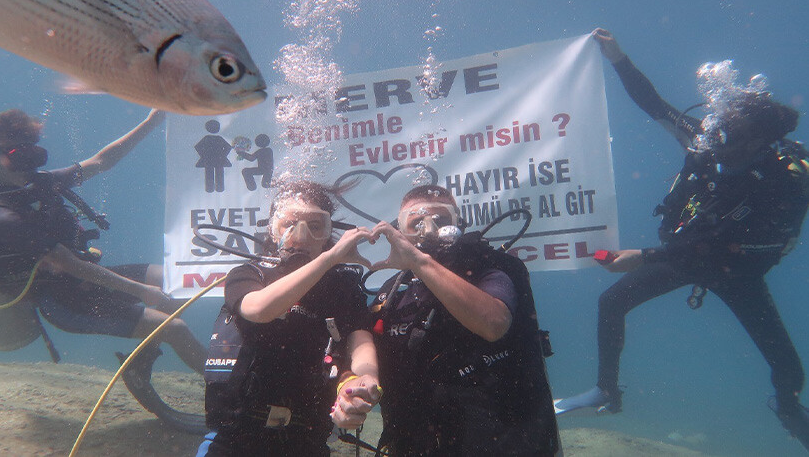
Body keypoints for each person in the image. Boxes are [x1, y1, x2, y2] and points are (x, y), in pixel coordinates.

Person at [554, 28, 809, 451]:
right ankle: (606, 391)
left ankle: (788, 408)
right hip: (686, 254)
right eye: (719, 126)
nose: (715, 139)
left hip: (737, 268)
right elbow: (652, 103)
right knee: (611, 301)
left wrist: (642, 256)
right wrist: (619, 58)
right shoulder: (706, 141)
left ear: (760, 142)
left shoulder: (780, 183)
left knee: (785, 364)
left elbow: (718, 242)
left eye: (731, 132)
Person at [0, 108, 207, 373]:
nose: (28, 164)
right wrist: (141, 291)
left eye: (31, 152)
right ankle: (230, 398)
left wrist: (150, 122)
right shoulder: (0, 216)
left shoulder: (38, 183)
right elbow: (68, 264)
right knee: (176, 329)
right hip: (65, 302)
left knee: (178, 279)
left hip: (86, 281)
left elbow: (101, 162)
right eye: (16, 156)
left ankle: (141, 362)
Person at [334, 185, 560, 456]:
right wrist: (349, 386)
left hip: (505, 442)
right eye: (415, 223)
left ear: (458, 223)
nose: (428, 229)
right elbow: (362, 349)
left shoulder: (491, 267)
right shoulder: (393, 290)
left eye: (441, 220)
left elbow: (493, 323)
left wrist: (419, 262)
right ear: (401, 230)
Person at [199, 180, 379, 456]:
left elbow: (361, 342)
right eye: (289, 224)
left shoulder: (341, 288)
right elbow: (259, 309)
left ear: (328, 233)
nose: (301, 236)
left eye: (315, 226)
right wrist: (329, 259)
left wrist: (363, 381)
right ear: (273, 230)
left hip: (306, 438)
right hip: (235, 436)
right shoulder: (249, 274)